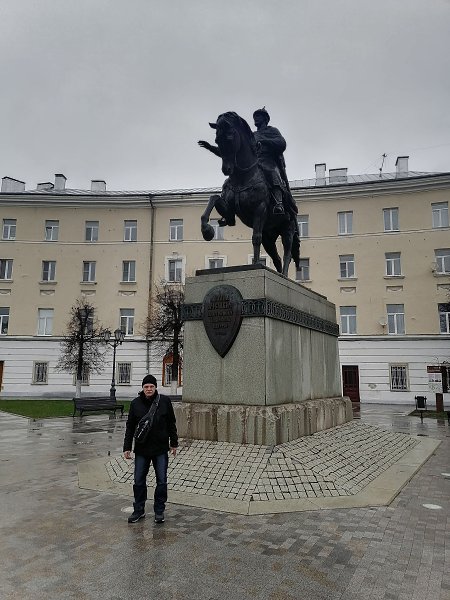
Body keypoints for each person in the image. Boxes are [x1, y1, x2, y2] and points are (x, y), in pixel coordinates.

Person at [123, 374, 178, 524]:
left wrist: (174, 443)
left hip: (160, 449)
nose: (149, 389)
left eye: (151, 386)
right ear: (142, 388)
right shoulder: (135, 403)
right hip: (142, 449)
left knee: (162, 481)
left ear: (155, 387)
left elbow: (171, 423)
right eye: (146, 387)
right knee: (138, 481)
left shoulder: (164, 401)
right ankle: (139, 510)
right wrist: (127, 447)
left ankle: (159, 511)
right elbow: (130, 427)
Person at [252, 107, 298, 216]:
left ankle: (278, 203)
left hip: (268, 160)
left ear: (265, 119)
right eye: (255, 117)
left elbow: (281, 143)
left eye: (258, 116)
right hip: (254, 162)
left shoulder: (272, 131)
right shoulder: (252, 134)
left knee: (272, 172)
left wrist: (264, 141)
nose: (255, 118)